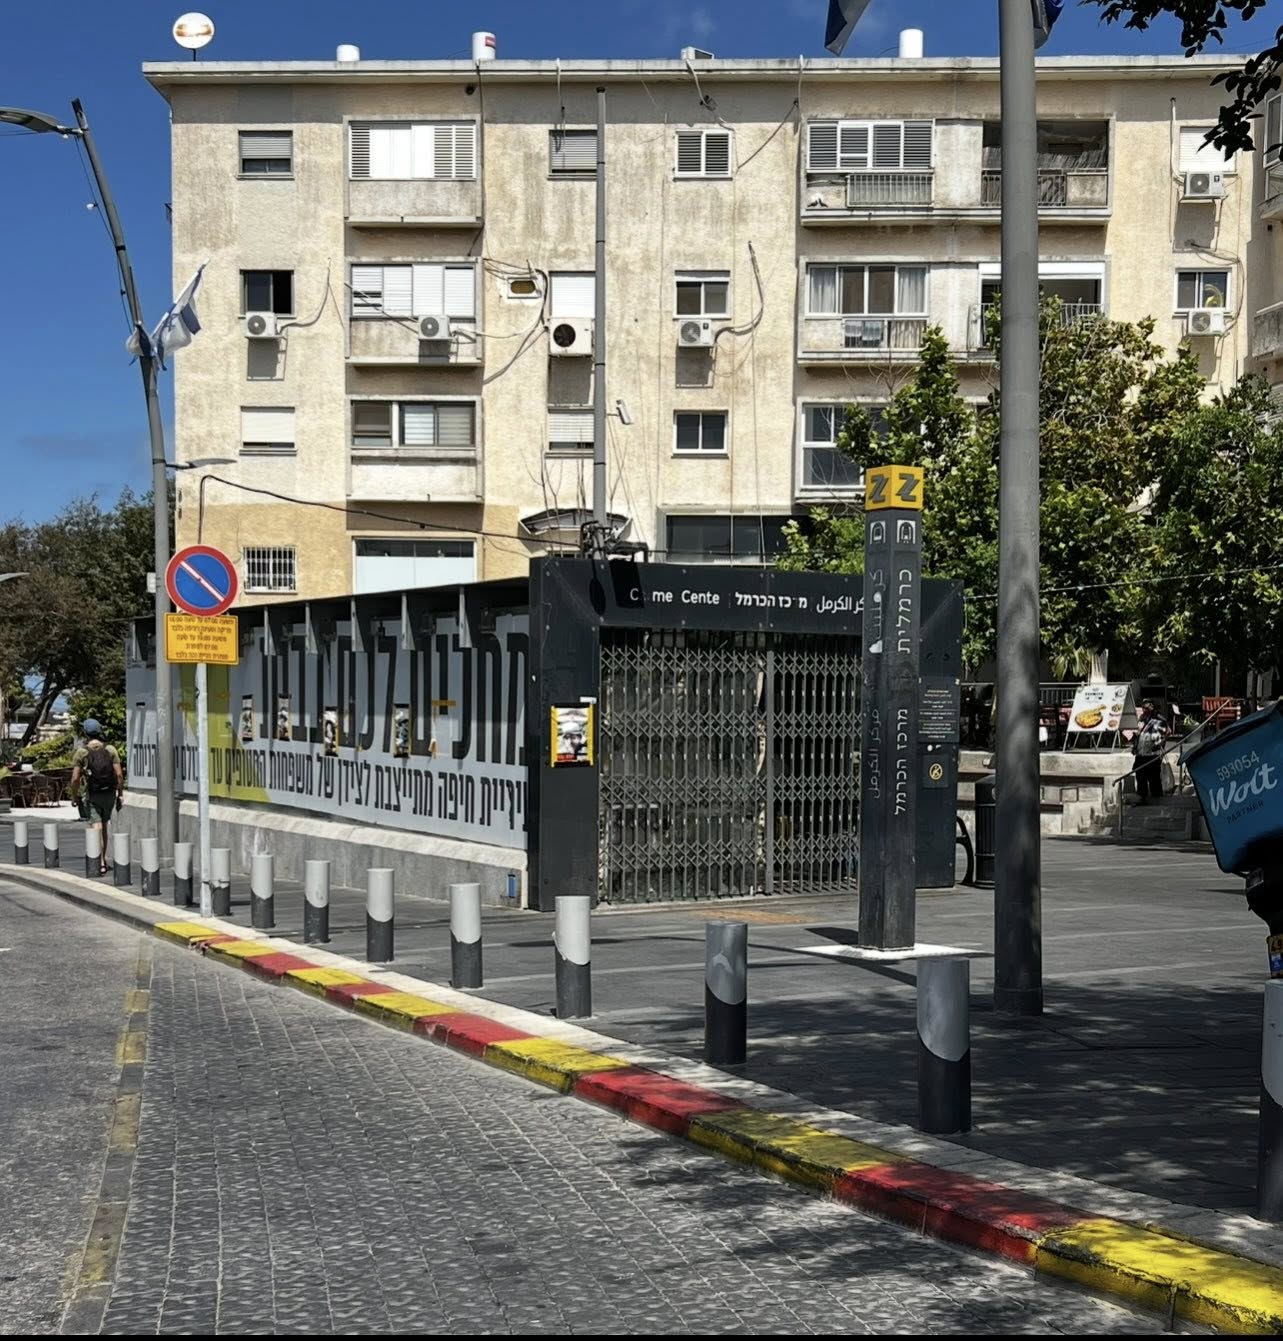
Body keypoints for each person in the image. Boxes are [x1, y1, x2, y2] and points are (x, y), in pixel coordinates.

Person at [70, 718, 124, 876]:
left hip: (93, 794)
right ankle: (103, 860)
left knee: (96, 826)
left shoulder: (82, 752)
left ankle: (98, 862)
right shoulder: (111, 750)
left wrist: (74, 796)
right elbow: (119, 774)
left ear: (85, 733)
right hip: (109, 794)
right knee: (104, 826)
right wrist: (120, 794)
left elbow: (75, 778)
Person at [1132, 700, 1167, 805]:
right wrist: (1135, 746)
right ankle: (1142, 798)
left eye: (1148, 707)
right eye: (1144, 707)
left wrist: (1160, 745)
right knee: (1140, 776)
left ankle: (1157, 800)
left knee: (1154, 778)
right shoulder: (1141, 719)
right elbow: (1137, 735)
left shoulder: (1159, 719)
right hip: (1141, 753)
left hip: (1153, 754)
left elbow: (1167, 733)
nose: (1145, 710)